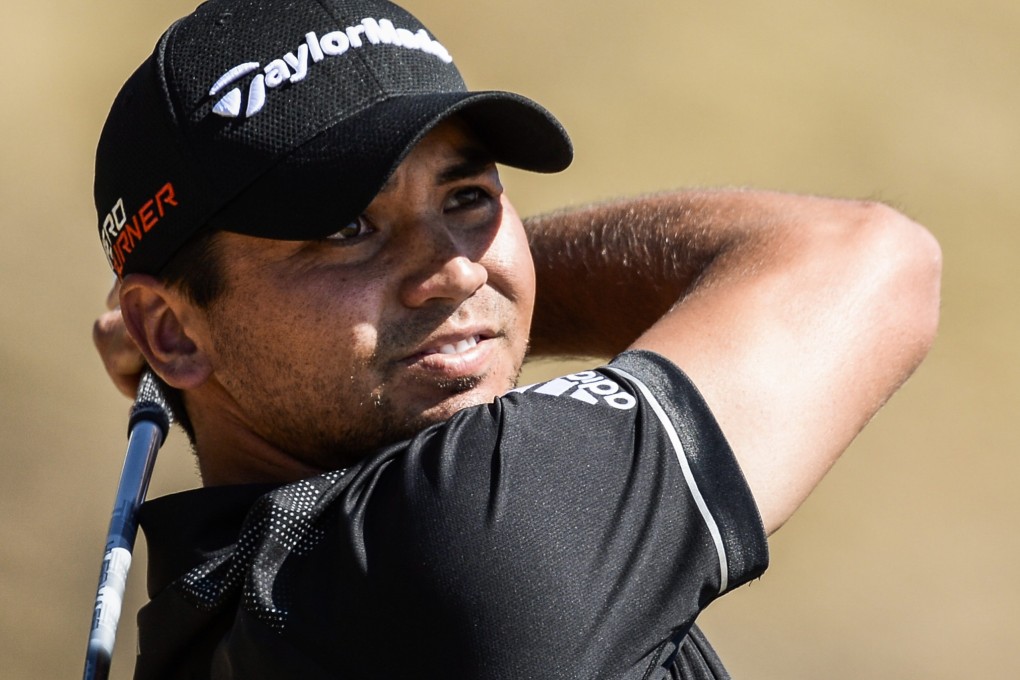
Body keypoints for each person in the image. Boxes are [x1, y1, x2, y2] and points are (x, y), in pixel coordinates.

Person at [91, 0, 942, 677]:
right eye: (348, 227)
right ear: (165, 331)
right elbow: (872, 260)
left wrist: (212, 345)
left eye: (466, 200)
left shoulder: (206, 611)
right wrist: (505, 296)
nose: (459, 271)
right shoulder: (457, 535)